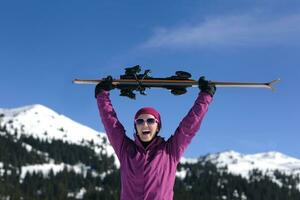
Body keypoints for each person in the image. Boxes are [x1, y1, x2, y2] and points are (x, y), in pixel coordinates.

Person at [95, 76, 216, 200]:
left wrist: (205, 96)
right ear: (136, 126)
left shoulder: (170, 151)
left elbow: (189, 125)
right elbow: (111, 124)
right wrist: (102, 95)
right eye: (140, 121)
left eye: (150, 121)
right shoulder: (125, 150)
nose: (145, 124)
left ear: (158, 126)